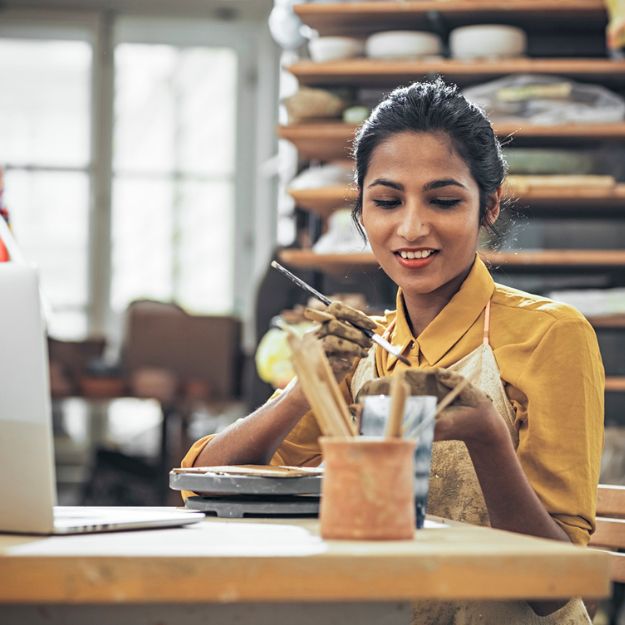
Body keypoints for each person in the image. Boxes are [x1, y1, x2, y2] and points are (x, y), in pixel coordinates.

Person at [182, 79, 604, 625]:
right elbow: (199, 491)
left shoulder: (551, 334)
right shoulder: (357, 350)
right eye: (386, 201)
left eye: (444, 200)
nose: (411, 227)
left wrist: (487, 436)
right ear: (360, 213)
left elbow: (559, 586)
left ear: (490, 206)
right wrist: (300, 391)